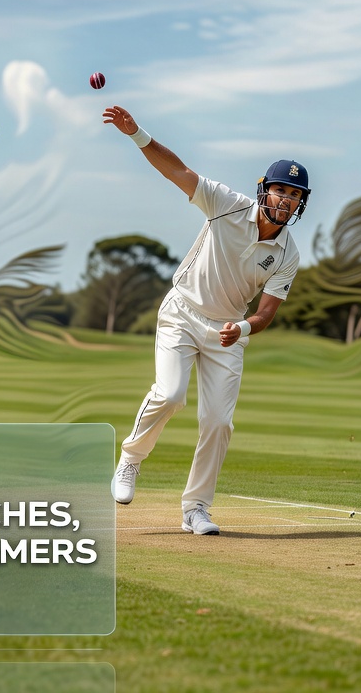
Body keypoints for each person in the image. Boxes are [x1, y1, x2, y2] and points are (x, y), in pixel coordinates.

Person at [103, 105, 308, 535]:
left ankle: (195, 509)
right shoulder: (226, 204)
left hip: (228, 331)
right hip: (182, 312)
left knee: (218, 421)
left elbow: (267, 311)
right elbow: (176, 171)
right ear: (264, 190)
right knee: (171, 393)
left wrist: (244, 328)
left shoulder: (288, 253)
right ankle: (130, 460)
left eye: (295, 195)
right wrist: (136, 133)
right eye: (281, 191)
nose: (287, 200)